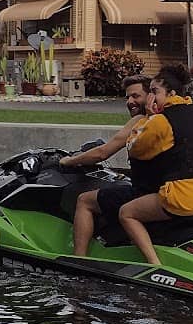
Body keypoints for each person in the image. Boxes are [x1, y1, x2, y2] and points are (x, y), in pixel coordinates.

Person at [115, 62, 193, 271]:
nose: (151, 97)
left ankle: (154, 265)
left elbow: (135, 148)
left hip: (183, 195)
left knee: (126, 213)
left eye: (155, 92)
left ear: (171, 92)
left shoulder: (160, 120)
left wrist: (149, 117)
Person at [58, 75, 153, 257]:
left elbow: (102, 152)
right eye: (127, 97)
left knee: (84, 200)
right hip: (167, 189)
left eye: (136, 96)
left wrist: (69, 160)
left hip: (146, 193)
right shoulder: (167, 119)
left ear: (150, 97)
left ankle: (79, 260)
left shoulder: (142, 120)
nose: (130, 102)